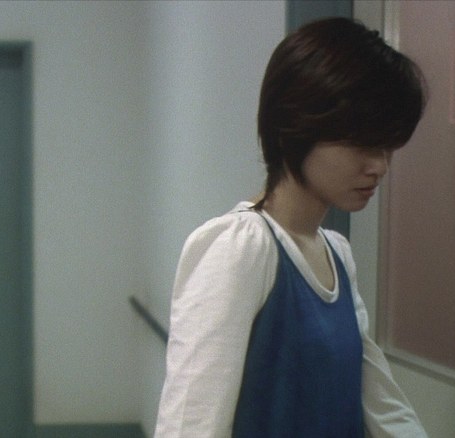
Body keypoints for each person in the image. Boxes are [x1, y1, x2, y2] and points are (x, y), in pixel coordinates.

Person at [154, 17, 428, 437]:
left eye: (387, 146)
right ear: (296, 127)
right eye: (363, 142)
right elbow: (190, 424)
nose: (379, 166)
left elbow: (383, 405)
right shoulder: (241, 248)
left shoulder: (337, 255)